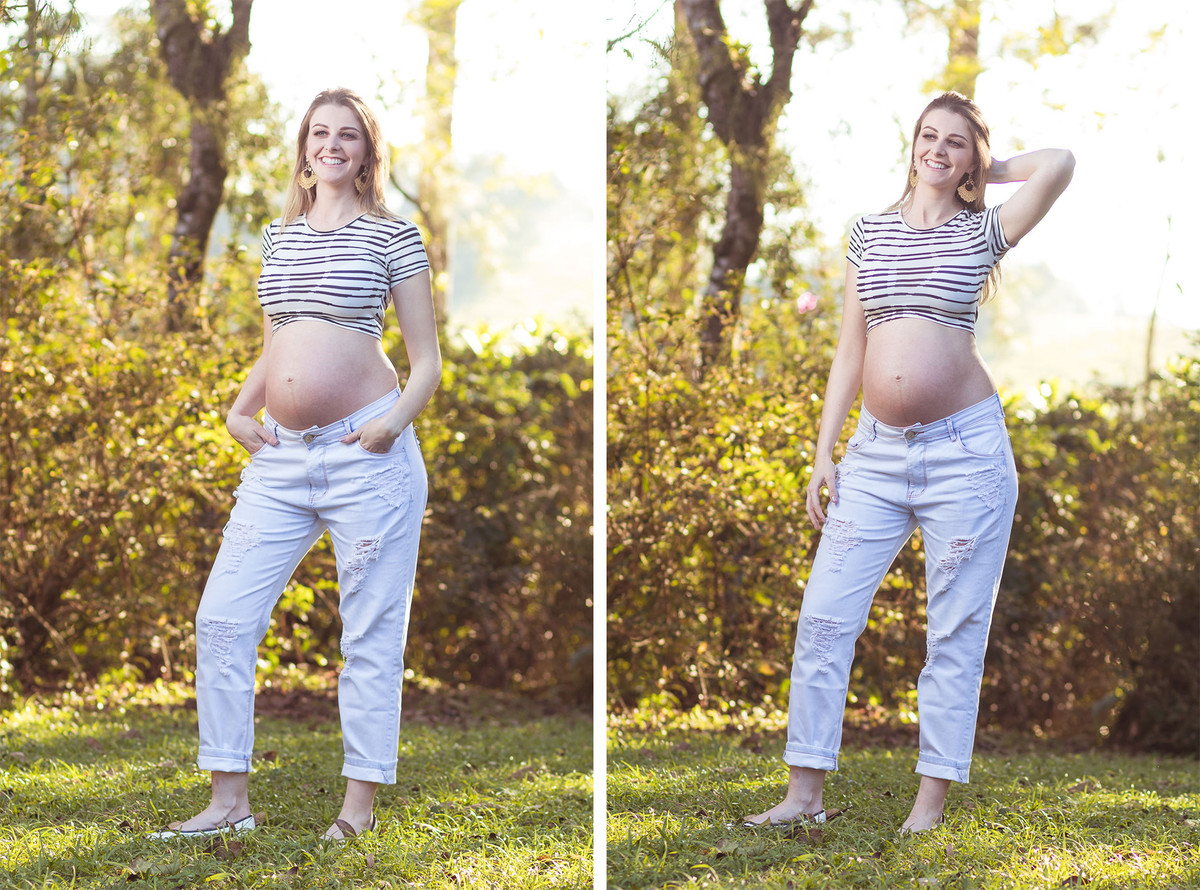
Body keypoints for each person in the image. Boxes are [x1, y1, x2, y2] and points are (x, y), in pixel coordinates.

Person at [744, 92, 1074, 834]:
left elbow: (1060, 164)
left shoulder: (984, 228)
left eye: (956, 142)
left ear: (972, 160)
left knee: (954, 631)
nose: (939, 149)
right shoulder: (869, 233)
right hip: (873, 455)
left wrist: (984, 170)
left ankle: (929, 806)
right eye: (929, 136)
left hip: (967, 454)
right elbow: (849, 348)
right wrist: (824, 451)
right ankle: (803, 796)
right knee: (824, 618)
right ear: (912, 143)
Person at [151, 88, 441, 842]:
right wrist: (239, 411)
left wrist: (387, 428)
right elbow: (280, 337)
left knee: (370, 636)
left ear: (367, 151)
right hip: (279, 460)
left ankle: (357, 812)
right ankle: (228, 804)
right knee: (220, 620)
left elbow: (428, 363)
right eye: (321, 133)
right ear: (305, 147)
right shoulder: (279, 236)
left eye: (348, 135)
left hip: (366, 457)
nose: (333, 145)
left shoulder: (394, 237)